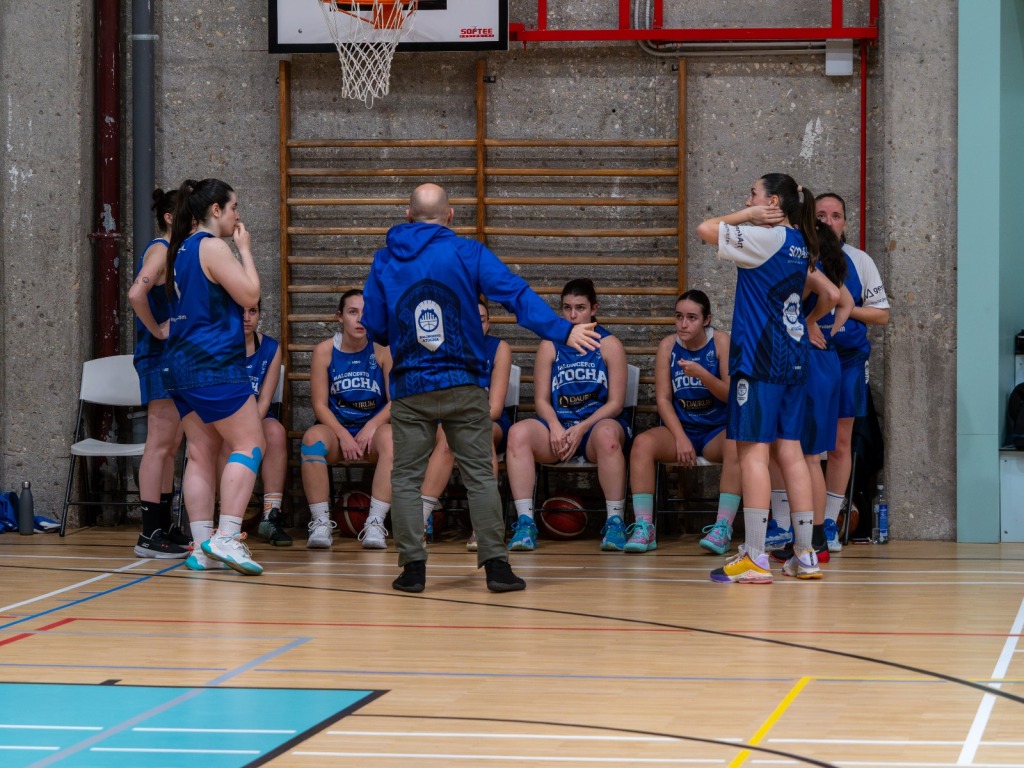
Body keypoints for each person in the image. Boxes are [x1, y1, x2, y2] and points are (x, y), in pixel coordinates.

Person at [361, 183, 600, 593]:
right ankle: (496, 567)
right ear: (450, 216)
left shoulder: (385, 259)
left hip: (411, 386)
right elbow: (515, 294)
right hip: (464, 383)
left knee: (405, 479)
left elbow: (376, 326)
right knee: (480, 476)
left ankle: (413, 569)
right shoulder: (467, 252)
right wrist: (562, 330)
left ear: (408, 215)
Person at [695, 173, 839, 584]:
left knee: (754, 454)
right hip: (793, 357)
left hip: (759, 359)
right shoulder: (800, 243)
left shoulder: (764, 238)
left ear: (773, 202)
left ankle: (756, 556)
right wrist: (809, 322)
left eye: (753, 194)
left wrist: (748, 216)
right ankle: (805, 554)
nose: (748, 201)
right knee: (791, 452)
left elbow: (705, 228)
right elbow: (829, 294)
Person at [162, 178, 266, 575]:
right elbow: (250, 296)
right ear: (216, 210)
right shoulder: (212, 246)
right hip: (213, 364)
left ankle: (202, 546)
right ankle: (227, 537)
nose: (238, 215)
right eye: (234, 207)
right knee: (250, 443)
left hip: (180, 365)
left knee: (201, 451)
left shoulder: (180, 249)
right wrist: (245, 250)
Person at [299, 289, 453, 550]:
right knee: (312, 439)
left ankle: (375, 522)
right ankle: (321, 522)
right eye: (353, 312)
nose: (360, 319)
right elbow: (319, 405)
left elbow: (396, 400)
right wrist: (343, 435)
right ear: (339, 316)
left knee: (392, 440)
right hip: (338, 432)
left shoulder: (383, 349)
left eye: (366, 313)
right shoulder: (324, 351)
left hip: (373, 432)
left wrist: (372, 425)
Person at [505, 279, 631, 553]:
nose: (573, 315)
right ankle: (525, 523)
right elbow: (541, 400)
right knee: (517, 433)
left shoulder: (609, 345)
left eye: (580, 308)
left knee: (608, 435)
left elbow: (616, 404)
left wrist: (582, 428)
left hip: (594, 429)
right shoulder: (550, 345)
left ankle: (615, 522)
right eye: (567, 308)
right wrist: (554, 425)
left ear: (594, 309)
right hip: (559, 429)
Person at [627, 290, 741, 555]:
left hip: (715, 430)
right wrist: (680, 437)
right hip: (681, 429)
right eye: (679, 317)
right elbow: (664, 400)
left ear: (706, 319)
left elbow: (731, 395)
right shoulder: (668, 346)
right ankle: (644, 527)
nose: (684, 324)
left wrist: (703, 375)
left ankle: (722, 528)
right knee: (642, 444)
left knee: (737, 444)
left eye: (691, 317)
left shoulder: (721, 342)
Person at [815, 192, 890, 552]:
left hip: (848, 360)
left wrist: (845, 307)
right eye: (821, 215)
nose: (828, 221)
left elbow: (881, 315)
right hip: (810, 358)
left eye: (835, 215)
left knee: (841, 443)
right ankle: (789, 523)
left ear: (845, 222)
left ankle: (830, 521)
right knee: (798, 443)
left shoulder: (860, 261)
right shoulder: (800, 257)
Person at [128, 188, 189, 558]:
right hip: (158, 355)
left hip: (175, 357)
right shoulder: (161, 250)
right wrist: (157, 329)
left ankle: (164, 525)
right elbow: (136, 293)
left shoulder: (177, 252)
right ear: (169, 217)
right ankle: (149, 532)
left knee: (171, 446)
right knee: (159, 444)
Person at [239, 300, 291, 546]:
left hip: (257, 417)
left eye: (253, 311)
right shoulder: (218, 346)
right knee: (220, 438)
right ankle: (222, 514)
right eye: (240, 312)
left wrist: (248, 427)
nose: (247, 317)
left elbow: (265, 400)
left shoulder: (270, 348)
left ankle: (270, 516)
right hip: (224, 418)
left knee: (276, 432)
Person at [465, 298, 513, 553]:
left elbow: (494, 408)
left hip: (488, 421)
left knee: (481, 437)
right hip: (451, 421)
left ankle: (483, 527)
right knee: (440, 438)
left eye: (481, 320)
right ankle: (422, 519)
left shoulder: (498, 348)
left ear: (489, 323)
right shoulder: (448, 347)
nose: (476, 325)